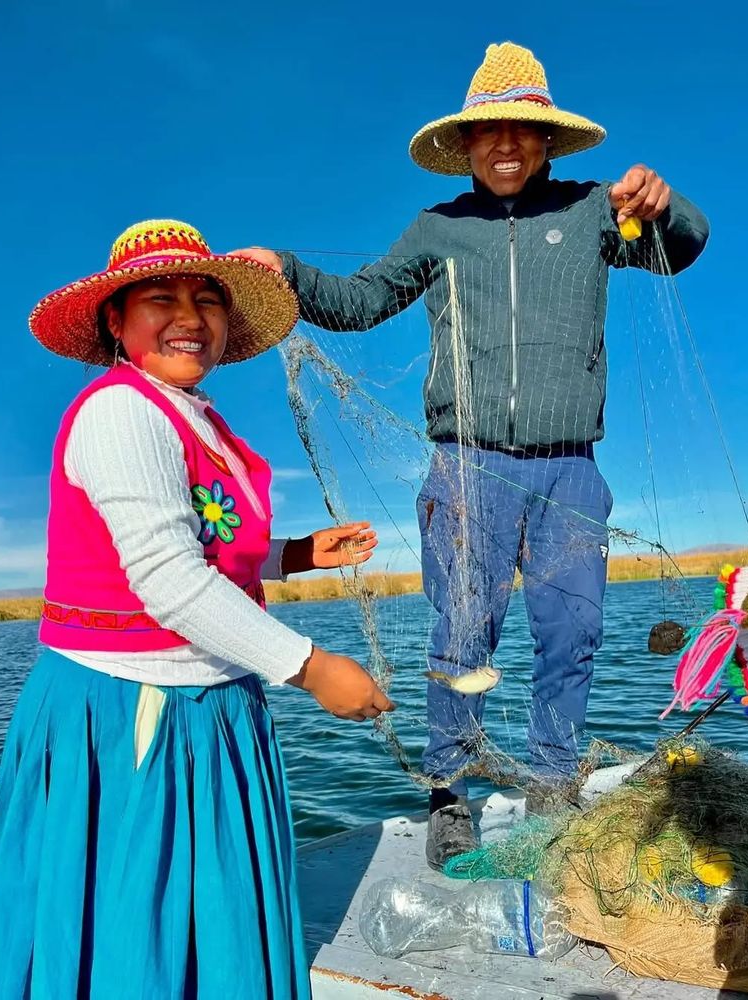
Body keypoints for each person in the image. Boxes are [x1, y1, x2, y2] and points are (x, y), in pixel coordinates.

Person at [233, 42, 709, 869]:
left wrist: (666, 205)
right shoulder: (439, 229)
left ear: (547, 140)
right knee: (461, 638)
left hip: (570, 471)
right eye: (490, 133)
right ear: (467, 145)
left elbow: (686, 247)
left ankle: (554, 786)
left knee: (574, 637)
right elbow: (360, 301)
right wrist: (291, 271)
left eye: (523, 132)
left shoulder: (597, 210)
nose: (506, 147)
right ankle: (449, 790)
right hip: (465, 468)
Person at [0, 219, 394, 998]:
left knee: (203, 920)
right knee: (142, 924)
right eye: (160, 297)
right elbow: (165, 575)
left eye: (207, 301)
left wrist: (296, 554)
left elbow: (199, 538)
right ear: (115, 321)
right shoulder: (121, 412)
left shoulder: (193, 417)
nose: (189, 317)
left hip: (210, 700)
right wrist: (313, 666)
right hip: (132, 709)